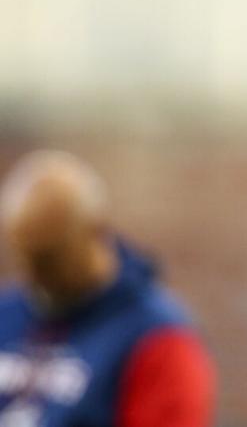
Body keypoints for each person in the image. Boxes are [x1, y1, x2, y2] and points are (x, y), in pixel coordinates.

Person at [0, 151, 215, 427]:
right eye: (27, 258)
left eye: (50, 257)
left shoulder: (156, 338)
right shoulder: (8, 315)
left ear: (95, 230)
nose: (38, 275)